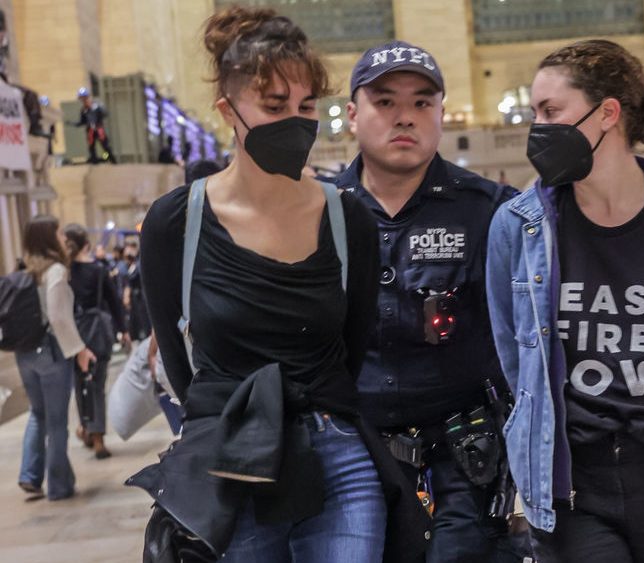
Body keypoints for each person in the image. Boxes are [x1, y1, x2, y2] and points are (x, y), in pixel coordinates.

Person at [129, 7, 427, 562]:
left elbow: (351, 345)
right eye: (274, 106)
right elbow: (179, 362)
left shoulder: (347, 218)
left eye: (306, 105)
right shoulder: (177, 221)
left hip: (339, 457)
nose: (296, 120)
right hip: (233, 460)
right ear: (227, 110)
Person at [486, 39, 644, 563]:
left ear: (607, 114)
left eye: (550, 111)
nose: (536, 128)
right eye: (534, 112)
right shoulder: (518, 227)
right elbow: (515, 360)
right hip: (574, 482)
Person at [333, 40, 524, 563]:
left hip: (465, 449)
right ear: (353, 115)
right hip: (357, 452)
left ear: (441, 114)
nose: (405, 117)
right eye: (385, 102)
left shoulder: (492, 212)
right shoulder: (318, 215)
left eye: (422, 103)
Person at [17, 216, 96, 501]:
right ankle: (59, 487)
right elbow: (59, 317)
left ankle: (29, 475)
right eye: (59, 232)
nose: (64, 237)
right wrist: (80, 351)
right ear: (49, 237)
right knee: (56, 421)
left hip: (25, 353)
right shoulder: (56, 271)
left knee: (38, 414)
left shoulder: (25, 269)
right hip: (51, 351)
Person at [63, 223, 129, 459]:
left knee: (80, 385)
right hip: (98, 333)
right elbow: (114, 302)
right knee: (98, 386)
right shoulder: (99, 270)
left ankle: (87, 428)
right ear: (87, 245)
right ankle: (98, 435)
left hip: (72, 334)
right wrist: (124, 330)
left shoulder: (65, 272)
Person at [70, 88, 117, 164]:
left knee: (106, 147)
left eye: (85, 98)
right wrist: (74, 124)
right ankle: (95, 162)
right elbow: (82, 121)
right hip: (90, 131)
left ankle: (109, 159)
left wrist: (95, 108)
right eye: (82, 99)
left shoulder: (97, 105)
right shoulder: (83, 110)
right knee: (91, 148)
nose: (84, 100)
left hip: (99, 129)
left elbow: (105, 114)